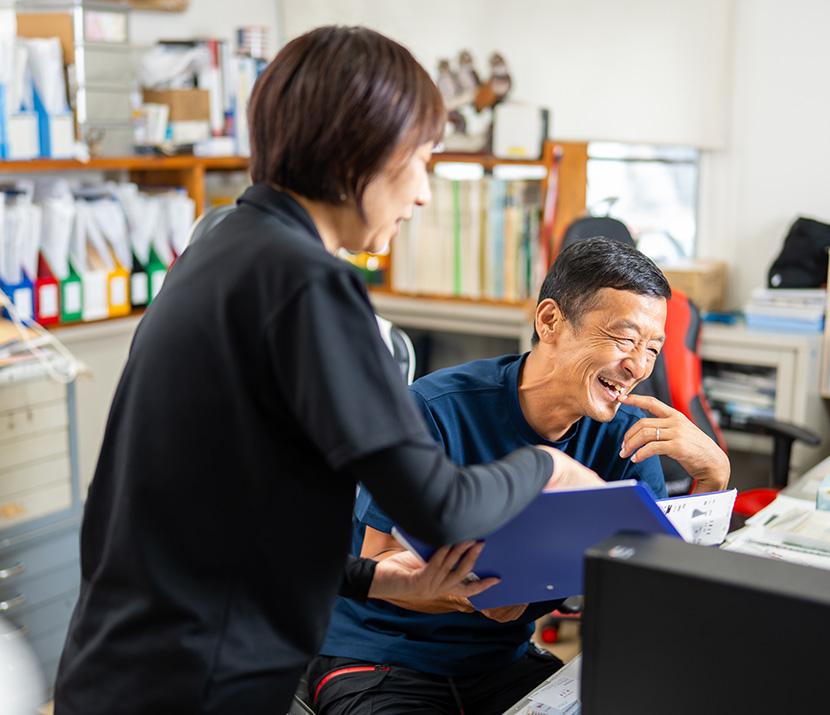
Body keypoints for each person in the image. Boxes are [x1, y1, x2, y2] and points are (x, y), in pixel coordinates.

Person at [53, 26, 602, 715]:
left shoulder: (220, 250)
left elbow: (231, 518)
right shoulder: (307, 284)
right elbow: (440, 505)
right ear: (359, 150)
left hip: (120, 665)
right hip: (197, 680)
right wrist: (546, 469)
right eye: (421, 161)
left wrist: (378, 581)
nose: (424, 194)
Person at [310, 237, 731, 715]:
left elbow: (652, 588)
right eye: (624, 339)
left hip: (500, 663)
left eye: (653, 348)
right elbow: (379, 557)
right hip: (380, 658)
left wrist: (713, 478)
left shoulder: (628, 435)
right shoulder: (433, 408)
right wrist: (466, 597)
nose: (639, 366)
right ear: (550, 321)